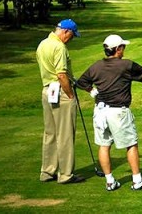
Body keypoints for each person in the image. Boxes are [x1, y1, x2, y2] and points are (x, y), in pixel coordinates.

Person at [76, 34, 142, 191]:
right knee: (131, 144)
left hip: (100, 112)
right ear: (118, 49)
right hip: (118, 113)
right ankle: (137, 181)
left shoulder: (96, 66)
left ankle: (110, 182)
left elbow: (81, 82)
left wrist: (93, 92)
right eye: (123, 47)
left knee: (104, 145)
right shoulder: (126, 65)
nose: (124, 49)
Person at [36, 18, 85, 184]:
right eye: (72, 36)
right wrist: (70, 94)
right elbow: (62, 74)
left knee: (50, 133)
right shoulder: (59, 47)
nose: (71, 40)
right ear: (66, 32)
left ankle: (47, 171)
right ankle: (65, 174)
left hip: (47, 90)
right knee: (65, 134)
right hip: (61, 91)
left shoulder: (43, 44)